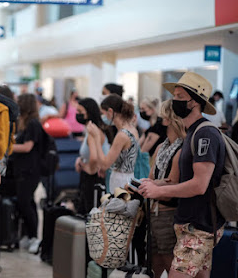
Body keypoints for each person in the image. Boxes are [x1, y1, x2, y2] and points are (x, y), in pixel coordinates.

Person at [139, 72, 225, 278]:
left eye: (179, 97)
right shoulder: (192, 134)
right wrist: (154, 184)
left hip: (199, 226)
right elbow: (182, 180)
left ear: (194, 103)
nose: (173, 101)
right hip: (190, 224)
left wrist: (159, 190)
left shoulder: (205, 134)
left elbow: (199, 185)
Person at [137, 99, 185, 277]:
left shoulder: (181, 149)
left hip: (168, 213)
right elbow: (152, 178)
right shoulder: (162, 147)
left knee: (167, 258)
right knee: (153, 258)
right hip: (153, 211)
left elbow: (172, 182)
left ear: (169, 119)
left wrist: (152, 185)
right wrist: (151, 184)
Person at [11, 94, 44, 253]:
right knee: (27, 202)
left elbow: (27, 147)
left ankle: (35, 237)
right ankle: (29, 234)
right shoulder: (23, 123)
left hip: (30, 171)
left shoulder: (33, 124)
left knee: (25, 202)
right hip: (22, 170)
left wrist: (7, 148)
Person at [87, 94, 139, 194]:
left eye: (104, 114)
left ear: (110, 112)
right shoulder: (132, 129)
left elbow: (105, 164)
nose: (104, 117)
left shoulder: (122, 135)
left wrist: (96, 137)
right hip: (128, 178)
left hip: (120, 181)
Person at [74, 98, 111, 214]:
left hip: (92, 179)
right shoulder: (96, 128)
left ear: (89, 112)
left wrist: (85, 167)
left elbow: (94, 158)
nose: (77, 115)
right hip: (94, 178)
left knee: (88, 213)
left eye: (80, 112)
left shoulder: (92, 132)